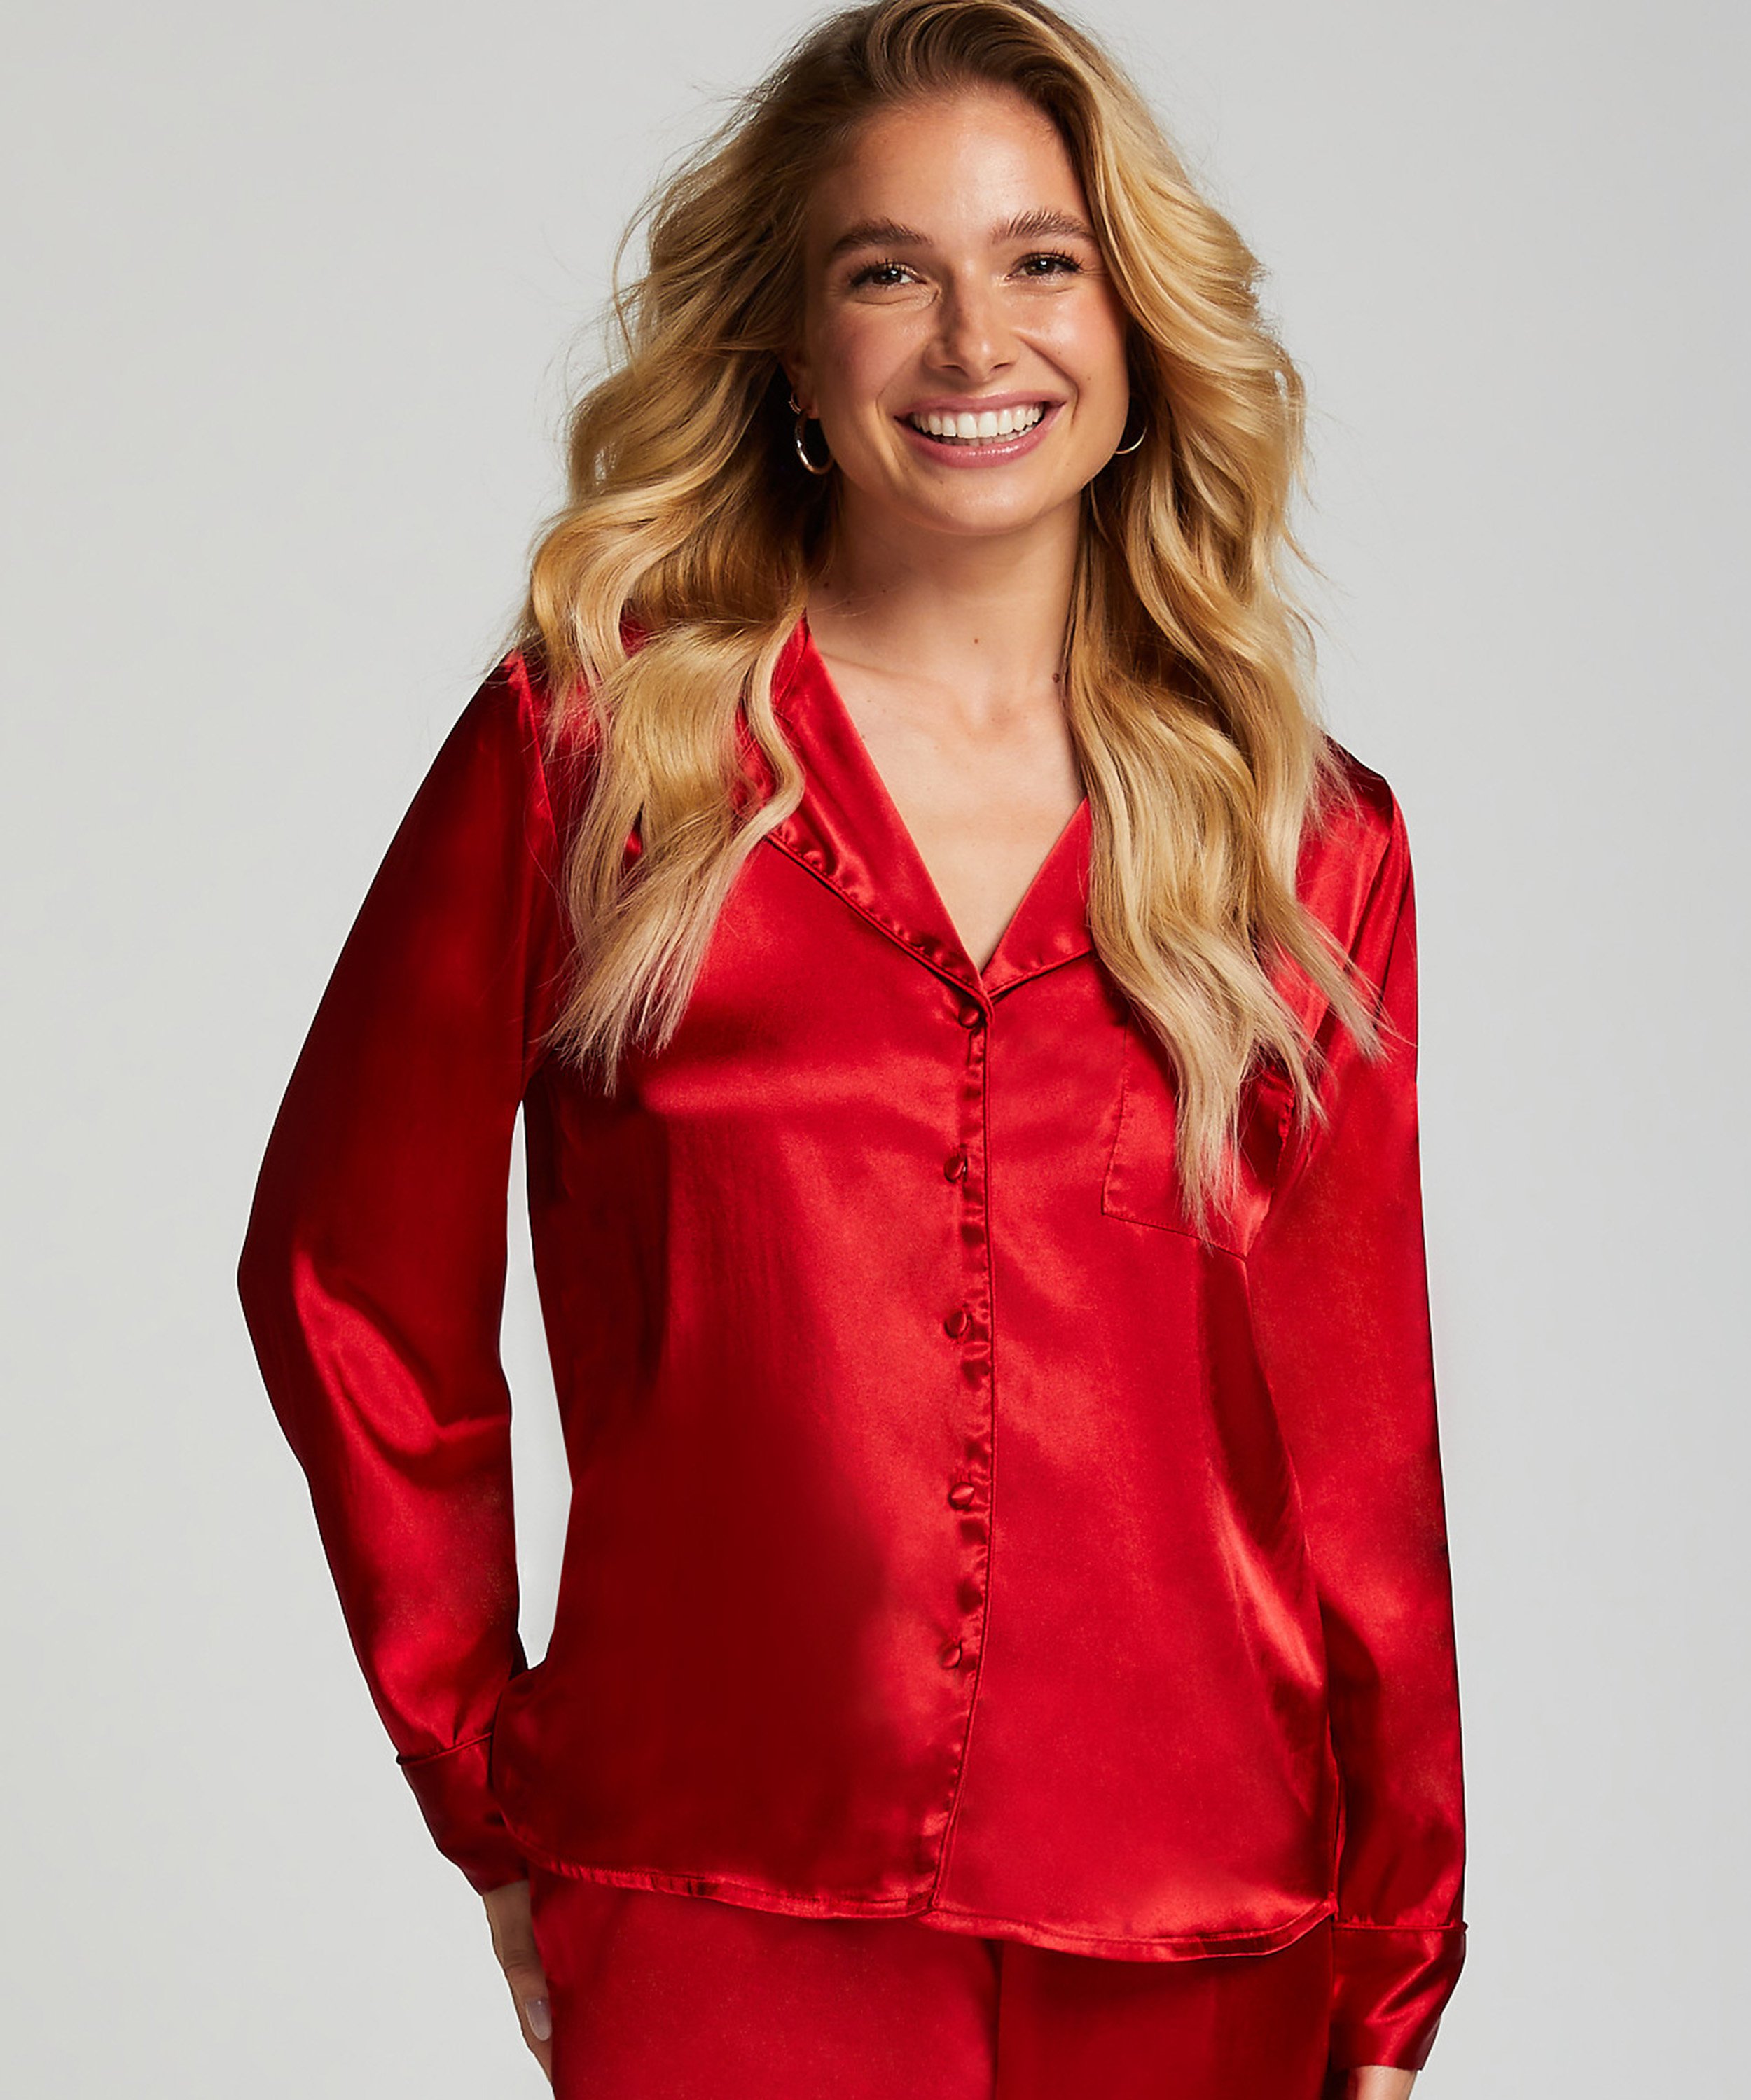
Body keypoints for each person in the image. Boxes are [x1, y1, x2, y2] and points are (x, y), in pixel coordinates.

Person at [236, 3, 1467, 2094]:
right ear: (794, 352)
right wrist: (482, 1760)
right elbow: (346, 1274)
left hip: (1199, 1927)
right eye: (890, 271)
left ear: (1134, 324)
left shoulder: (1299, 842)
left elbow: (1359, 1455)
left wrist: (1399, 1945)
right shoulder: (593, 762)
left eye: (1042, 260)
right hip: (717, 1886)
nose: (977, 341)